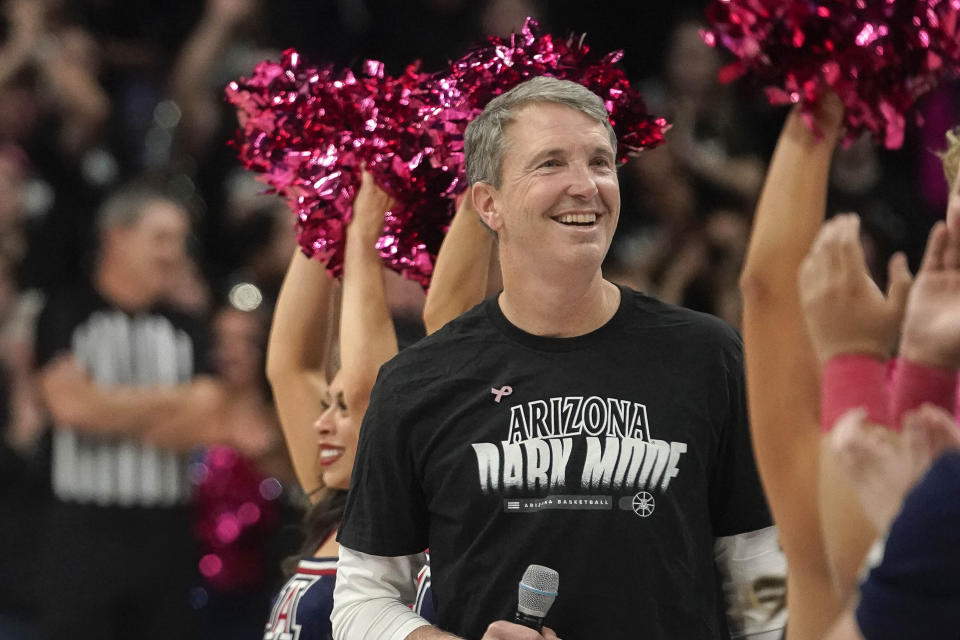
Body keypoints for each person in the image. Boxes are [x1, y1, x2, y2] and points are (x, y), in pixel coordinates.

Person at [331, 76, 781, 640]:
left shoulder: (707, 354)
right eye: (550, 164)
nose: (586, 185)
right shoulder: (417, 381)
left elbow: (759, 571)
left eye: (599, 162)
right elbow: (360, 598)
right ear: (488, 204)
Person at [34, 182, 237, 640]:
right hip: (81, 532)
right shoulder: (67, 311)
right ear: (116, 236)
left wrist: (105, 405)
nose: (173, 253)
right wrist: (172, 400)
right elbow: (70, 409)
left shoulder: (186, 327)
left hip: (165, 534)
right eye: (160, 238)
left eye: (179, 241)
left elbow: (208, 417)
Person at [263, 170, 434, 639]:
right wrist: (322, 214)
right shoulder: (335, 502)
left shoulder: (411, 523)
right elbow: (290, 365)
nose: (321, 422)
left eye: (341, 408)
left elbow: (366, 383)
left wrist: (362, 238)